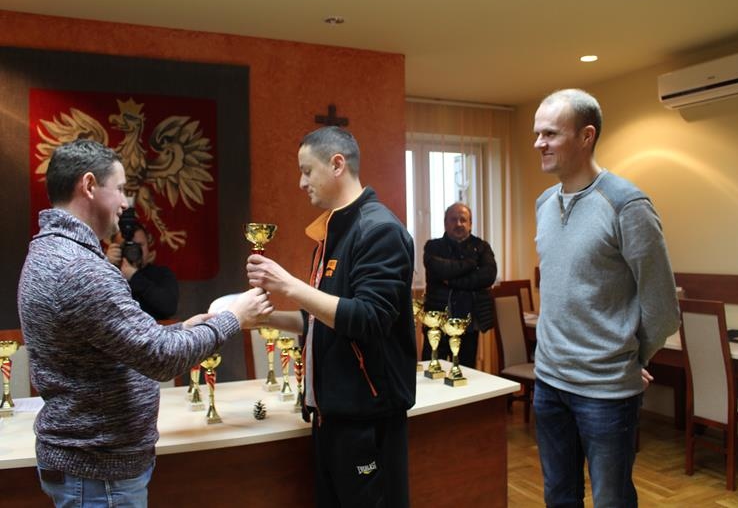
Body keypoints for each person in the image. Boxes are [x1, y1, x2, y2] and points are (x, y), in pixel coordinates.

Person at [17, 139, 272, 507]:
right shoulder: (80, 269)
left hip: (92, 465)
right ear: (89, 185)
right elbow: (161, 359)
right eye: (120, 189)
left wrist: (183, 330)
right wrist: (235, 317)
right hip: (99, 474)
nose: (125, 203)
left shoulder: (51, 251)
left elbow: (114, 343)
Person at [246, 126, 416, 508]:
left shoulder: (379, 230)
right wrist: (266, 320)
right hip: (330, 417)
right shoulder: (334, 232)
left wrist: (288, 285)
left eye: (307, 170)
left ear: (337, 164)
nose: (301, 182)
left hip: (366, 421)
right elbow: (322, 320)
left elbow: (370, 318)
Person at [531, 89, 680, 507]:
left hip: (605, 393)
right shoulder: (544, 204)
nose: (539, 143)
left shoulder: (626, 205)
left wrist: (633, 358)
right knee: (559, 496)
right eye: (537, 133)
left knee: (611, 500)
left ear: (586, 136)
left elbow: (662, 308)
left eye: (550, 134)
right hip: (549, 382)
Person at [422, 202, 497, 368]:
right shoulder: (433, 247)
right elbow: (440, 270)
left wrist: (453, 281)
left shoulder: (481, 247)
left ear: (470, 224)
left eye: (463, 220)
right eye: (453, 219)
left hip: (468, 325)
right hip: (437, 323)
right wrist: (471, 264)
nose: (458, 224)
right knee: (431, 371)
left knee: (466, 373)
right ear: (445, 223)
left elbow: (488, 276)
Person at [106, 223, 179, 320]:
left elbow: (169, 307)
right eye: (126, 245)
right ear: (115, 248)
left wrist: (134, 277)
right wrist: (104, 265)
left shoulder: (162, 274)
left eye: (139, 245)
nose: (133, 250)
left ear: (148, 246)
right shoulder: (107, 273)